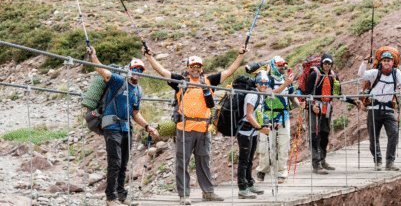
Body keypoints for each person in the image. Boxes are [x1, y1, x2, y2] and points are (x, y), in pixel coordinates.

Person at [144, 45, 247, 205]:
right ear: (188, 67)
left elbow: (229, 72)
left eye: (198, 66)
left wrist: (240, 56)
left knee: (204, 161)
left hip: (203, 129)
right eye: (193, 66)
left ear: (202, 68)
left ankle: (208, 192)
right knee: (182, 162)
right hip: (185, 129)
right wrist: (150, 57)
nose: (195, 69)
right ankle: (184, 195)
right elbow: (163, 72)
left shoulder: (209, 81)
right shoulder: (180, 81)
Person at [87, 47, 158, 206]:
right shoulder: (119, 81)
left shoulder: (138, 90)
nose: (137, 72)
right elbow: (102, 71)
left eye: (140, 70)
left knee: (124, 163)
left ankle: (121, 195)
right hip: (111, 125)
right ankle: (110, 198)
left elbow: (135, 113)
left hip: (127, 128)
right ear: (129, 69)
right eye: (134, 69)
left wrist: (147, 126)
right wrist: (94, 57)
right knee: (115, 162)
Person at [304, 53, 357, 174]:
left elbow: (338, 94)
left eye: (329, 63)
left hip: (327, 108)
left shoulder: (334, 76)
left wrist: (353, 101)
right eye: (325, 63)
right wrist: (312, 105)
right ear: (321, 63)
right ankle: (316, 164)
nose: (327, 65)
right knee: (315, 135)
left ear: (331, 64)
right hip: (315, 108)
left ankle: (322, 160)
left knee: (325, 135)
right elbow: (307, 93)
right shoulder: (314, 74)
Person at [358, 49, 401, 171]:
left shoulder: (396, 73)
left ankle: (389, 162)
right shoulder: (375, 73)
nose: (387, 63)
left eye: (389, 61)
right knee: (373, 137)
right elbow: (362, 74)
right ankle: (378, 161)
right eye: (385, 61)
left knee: (394, 133)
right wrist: (365, 62)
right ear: (381, 62)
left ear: (393, 62)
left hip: (388, 109)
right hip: (374, 109)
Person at [256, 56, 300, 184]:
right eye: (280, 65)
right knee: (265, 145)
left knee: (284, 145)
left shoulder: (287, 79)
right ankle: (262, 170)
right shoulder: (267, 79)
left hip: (283, 115)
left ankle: (282, 172)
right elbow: (269, 94)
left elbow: (292, 95)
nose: (282, 67)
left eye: (284, 65)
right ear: (273, 65)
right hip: (267, 115)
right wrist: (285, 84)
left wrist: (299, 104)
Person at [236, 70, 271, 199]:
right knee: (244, 160)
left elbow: (258, 114)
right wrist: (260, 128)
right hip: (245, 131)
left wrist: (266, 124)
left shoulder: (260, 95)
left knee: (250, 159)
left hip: (253, 131)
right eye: (261, 82)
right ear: (256, 83)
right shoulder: (252, 95)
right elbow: (249, 115)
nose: (264, 85)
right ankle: (242, 187)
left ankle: (250, 183)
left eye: (266, 83)